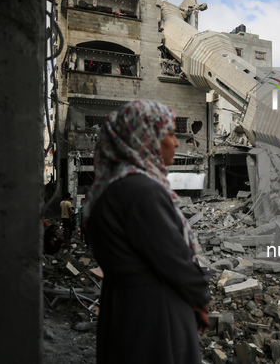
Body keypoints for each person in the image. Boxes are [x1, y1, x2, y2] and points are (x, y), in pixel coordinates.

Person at [84, 99, 211, 363]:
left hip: (124, 310)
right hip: (154, 316)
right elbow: (175, 259)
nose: (176, 143)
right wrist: (201, 296)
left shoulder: (113, 187)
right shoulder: (141, 191)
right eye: (171, 134)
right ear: (145, 137)